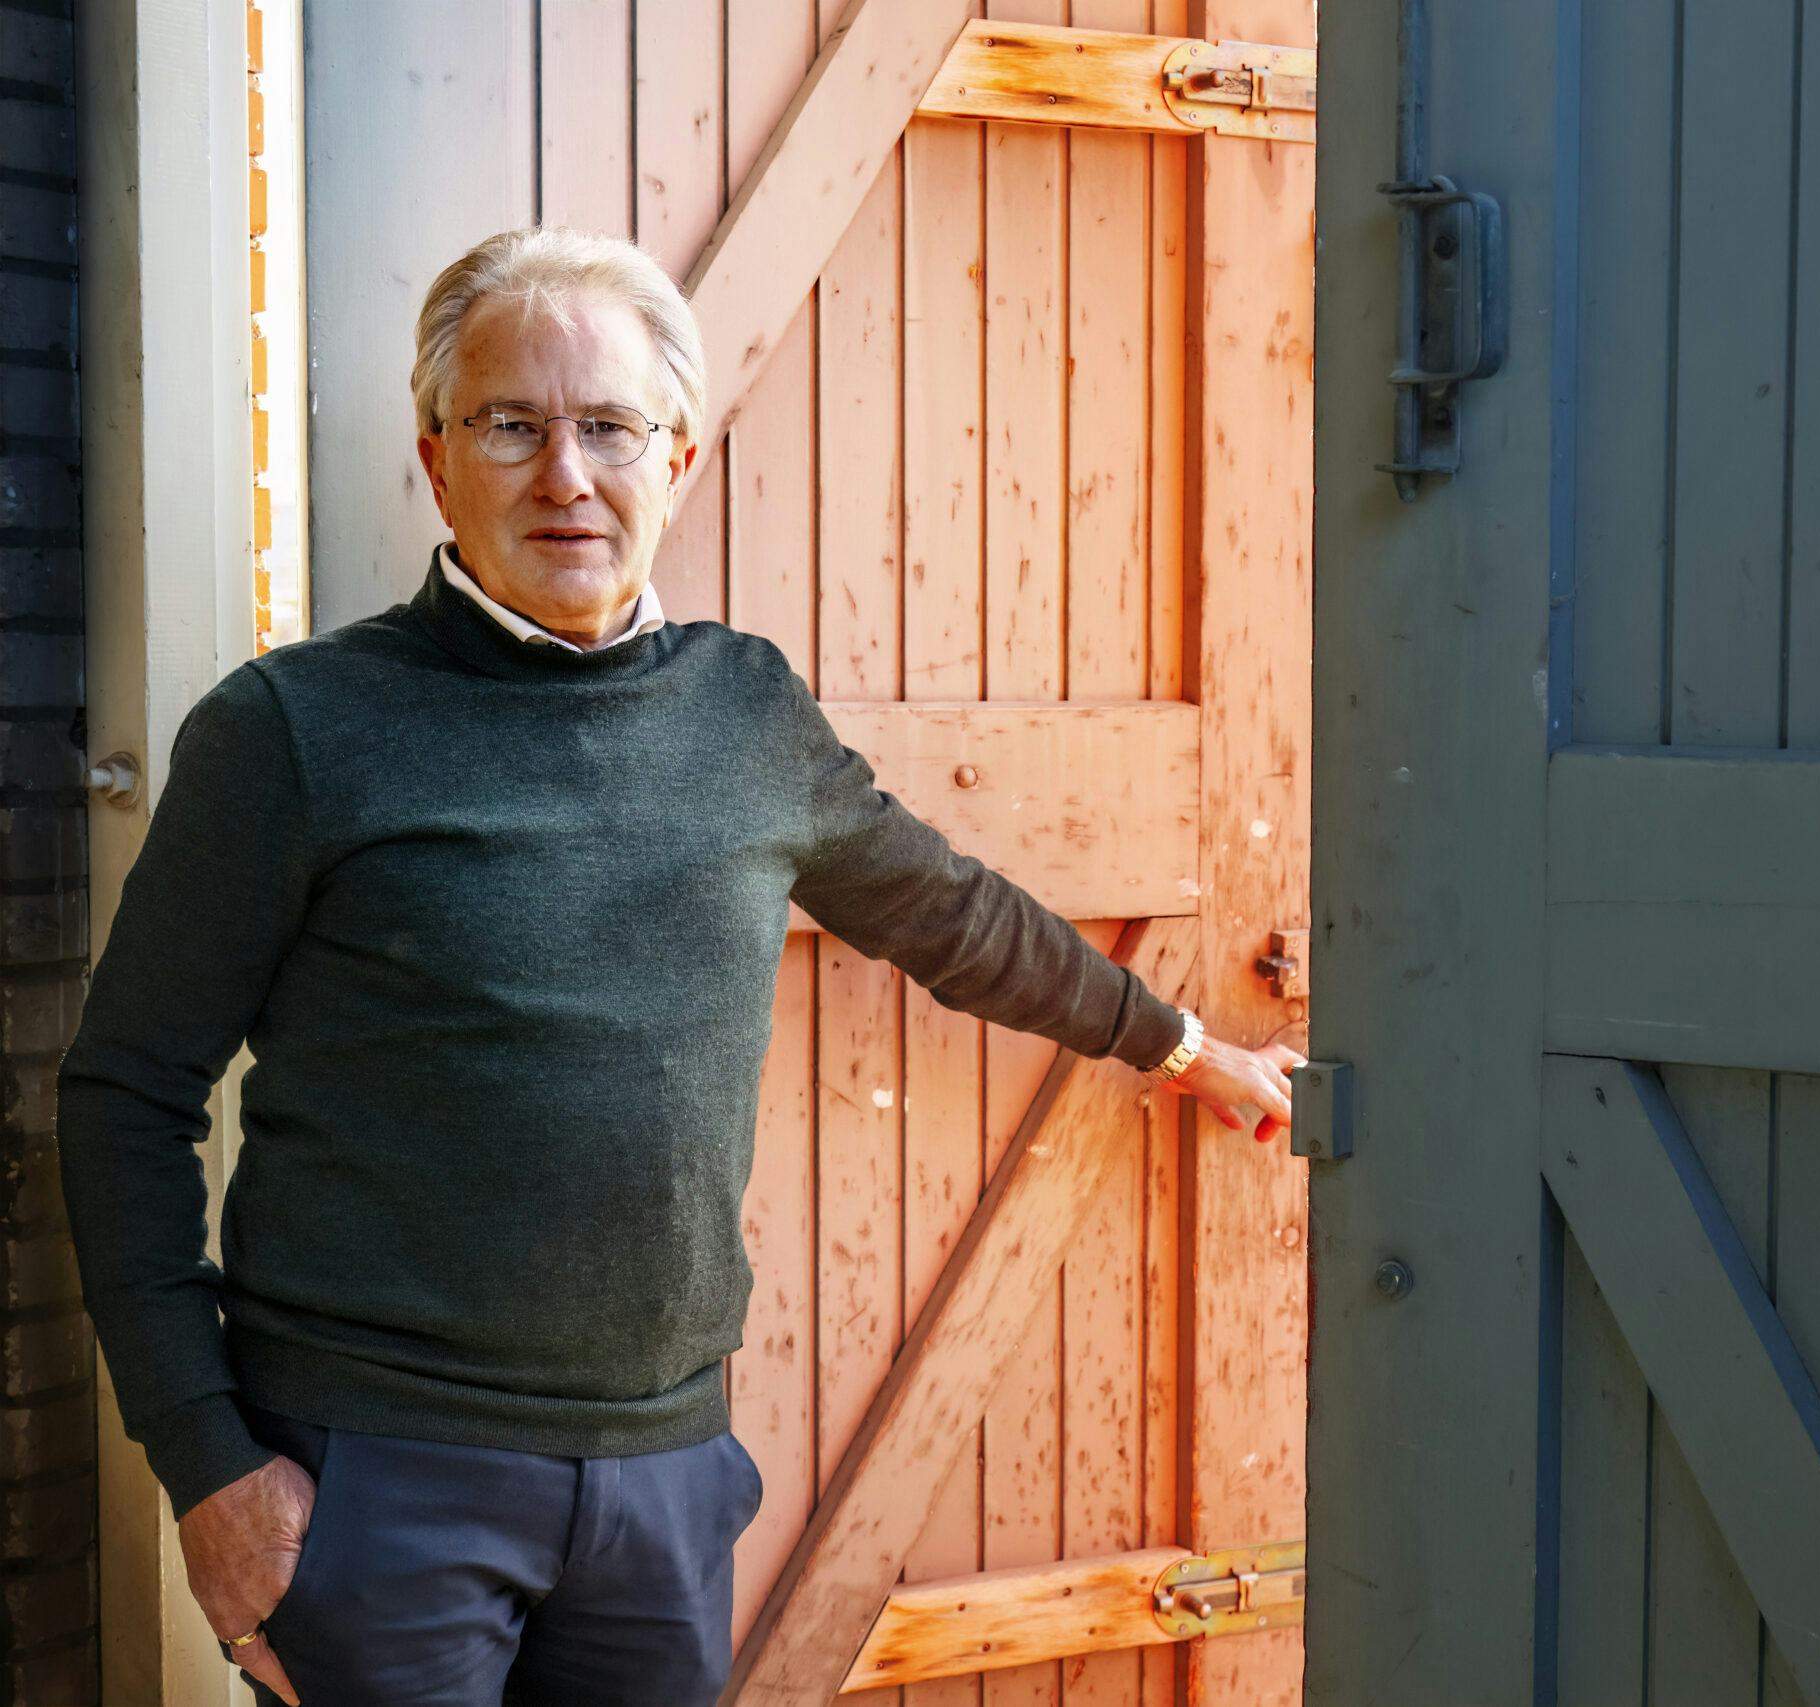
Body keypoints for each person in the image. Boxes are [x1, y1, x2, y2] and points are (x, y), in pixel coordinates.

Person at [56, 226, 1302, 1707]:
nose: (564, 476)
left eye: (607, 428)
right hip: (376, 1480)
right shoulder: (294, 732)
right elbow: (124, 1099)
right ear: (436, 460)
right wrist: (208, 1470)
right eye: (510, 425)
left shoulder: (746, 714)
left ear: (681, 461)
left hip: (664, 1483)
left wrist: (1180, 1046)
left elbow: (953, 917)